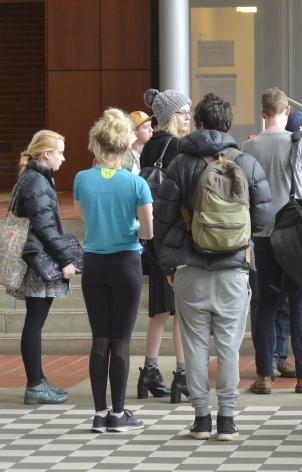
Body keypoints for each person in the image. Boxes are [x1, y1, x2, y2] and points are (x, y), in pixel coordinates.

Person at [155, 93, 274, 441]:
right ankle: (227, 419)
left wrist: (169, 264)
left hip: (189, 270)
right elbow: (265, 220)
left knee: (193, 345)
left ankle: (201, 419)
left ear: (200, 124)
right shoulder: (247, 163)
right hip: (233, 270)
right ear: (228, 125)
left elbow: (162, 222)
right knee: (228, 345)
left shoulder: (179, 164)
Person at [243, 87, 302, 394]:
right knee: (299, 305)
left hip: (262, 235)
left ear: (263, 113)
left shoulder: (249, 146)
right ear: (287, 112)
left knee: (265, 306)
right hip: (295, 235)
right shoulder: (300, 143)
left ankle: (263, 376)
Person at [74, 108, 154, 433]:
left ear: (97, 143)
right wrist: (131, 225)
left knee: (99, 339)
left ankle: (98, 413)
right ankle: (119, 415)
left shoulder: (82, 179)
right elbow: (147, 232)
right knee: (121, 340)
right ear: (124, 145)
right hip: (126, 265)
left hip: (93, 264)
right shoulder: (136, 183)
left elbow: (83, 216)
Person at [9, 130, 78, 405]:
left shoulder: (35, 178)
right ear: (46, 153)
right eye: (60, 151)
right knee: (34, 323)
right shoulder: (36, 180)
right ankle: (35, 385)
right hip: (39, 260)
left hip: (36, 256)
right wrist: (66, 259)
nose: (63, 157)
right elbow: (45, 227)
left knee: (35, 321)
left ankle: (37, 380)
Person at [136, 88, 191, 402]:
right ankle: (182, 375)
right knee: (181, 312)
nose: (188, 118)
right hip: (176, 237)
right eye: (184, 113)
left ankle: (149, 371)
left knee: (159, 310)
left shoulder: (149, 146)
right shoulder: (179, 146)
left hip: (154, 237)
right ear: (171, 115)